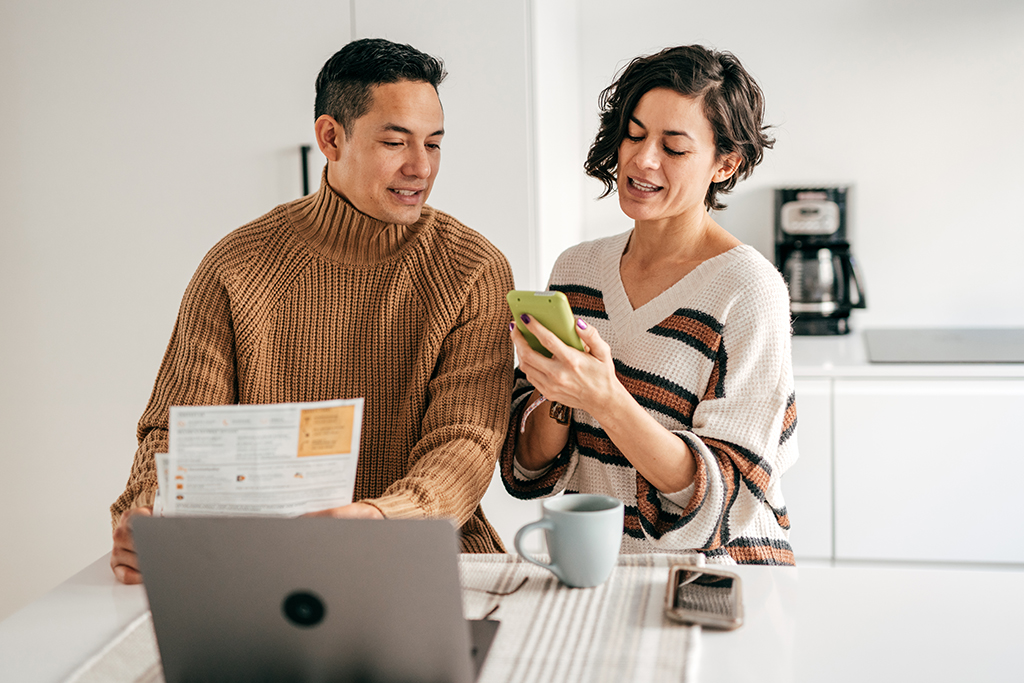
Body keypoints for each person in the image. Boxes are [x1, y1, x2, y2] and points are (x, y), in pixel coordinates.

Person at [110, 38, 515, 584]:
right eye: (396, 142)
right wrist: (149, 514)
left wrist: (381, 517)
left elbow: (467, 441)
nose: (421, 166)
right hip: (264, 563)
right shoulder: (237, 265)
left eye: (434, 144)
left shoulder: (472, 269)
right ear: (331, 137)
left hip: (425, 555)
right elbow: (176, 433)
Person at [500, 45, 797, 565]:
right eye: (634, 134)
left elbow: (726, 498)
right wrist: (562, 391)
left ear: (725, 163)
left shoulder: (747, 289)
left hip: (713, 582)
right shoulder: (577, 270)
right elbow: (528, 467)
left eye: (674, 148)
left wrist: (607, 400)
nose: (641, 159)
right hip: (597, 570)